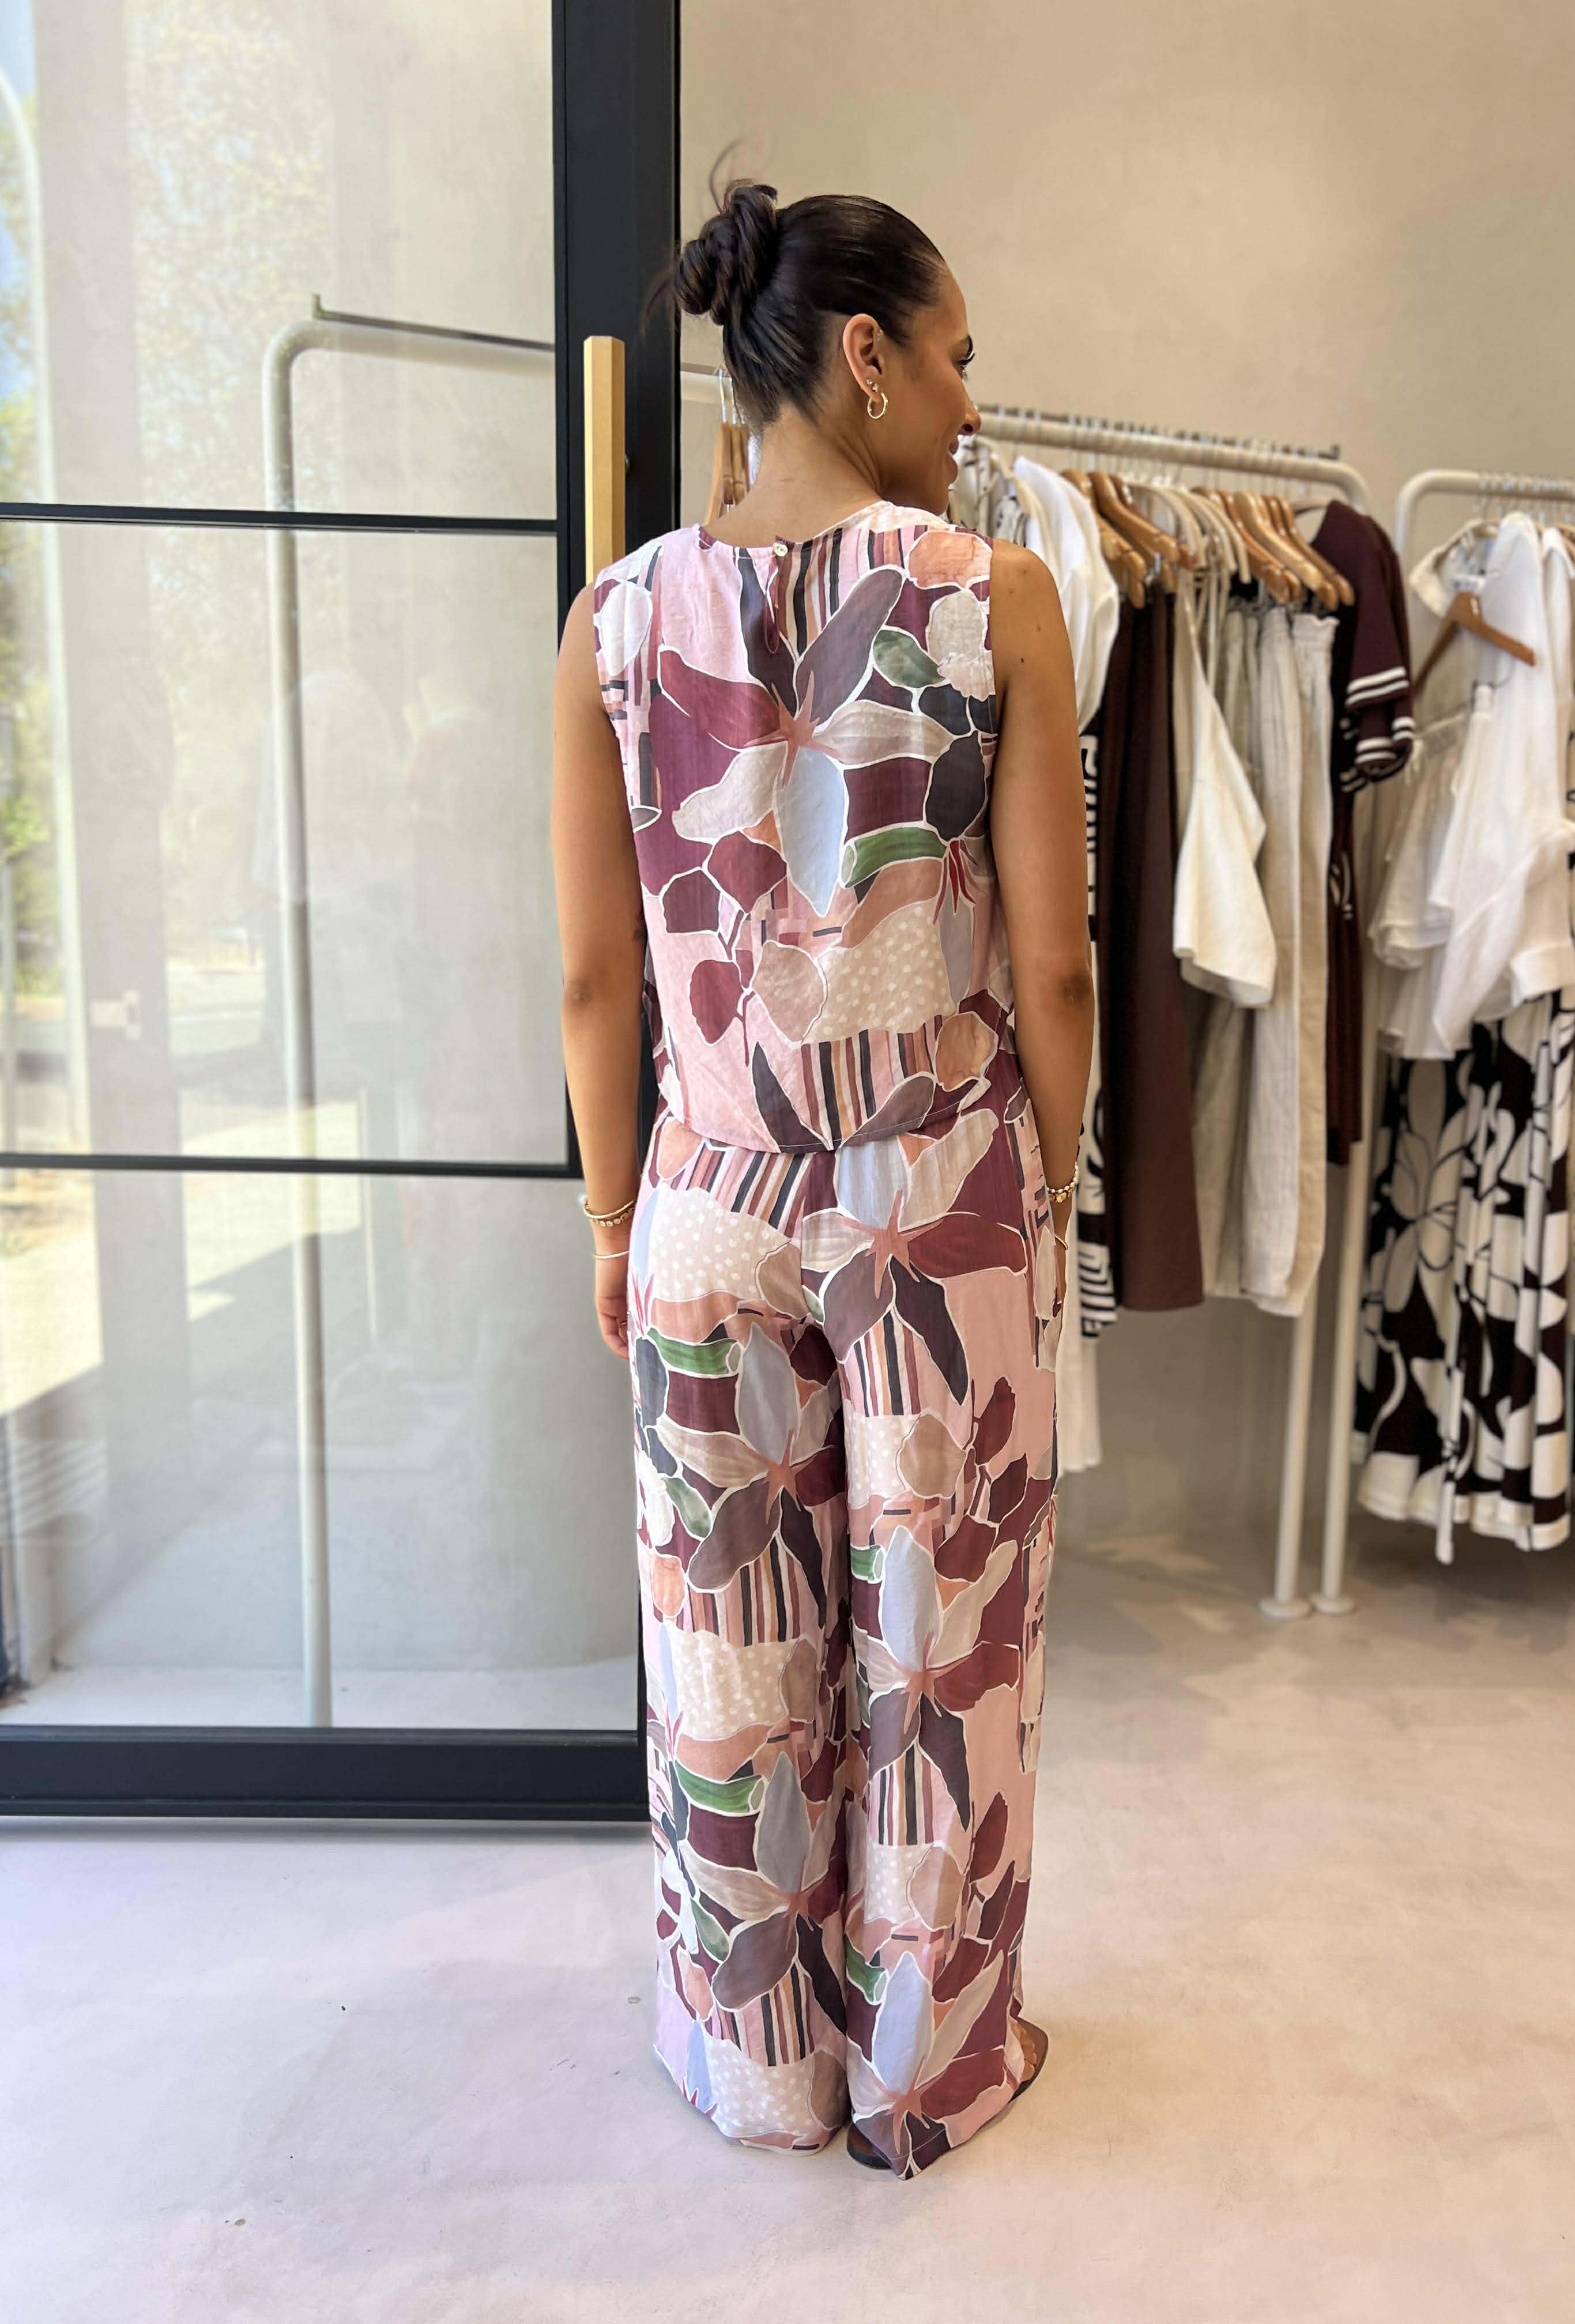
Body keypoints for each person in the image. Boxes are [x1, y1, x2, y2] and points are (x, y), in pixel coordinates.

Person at [549, 171, 1092, 2177]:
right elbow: (1055, 964)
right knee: (943, 1643)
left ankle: (756, 2064)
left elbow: (597, 974)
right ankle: (924, 2071)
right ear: (865, 354)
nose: (969, 401)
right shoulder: (992, 597)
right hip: (930, 1191)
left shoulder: (615, 620)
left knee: (729, 1654)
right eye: (954, 358)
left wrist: (613, 1220)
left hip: (705, 1191)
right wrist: (1052, 1179)